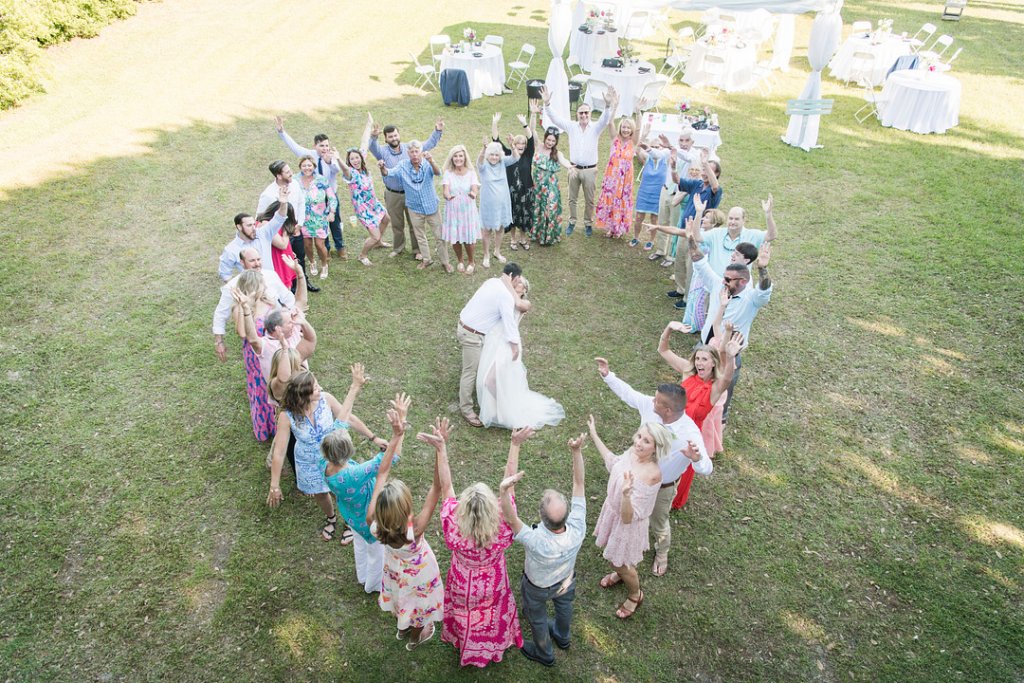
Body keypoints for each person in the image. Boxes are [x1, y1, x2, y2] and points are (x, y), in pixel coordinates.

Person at [595, 356, 711, 577]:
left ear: (667, 409)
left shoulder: (689, 433)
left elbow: (707, 467)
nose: (651, 401)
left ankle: (662, 551)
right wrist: (608, 375)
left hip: (662, 488)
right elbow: (630, 394)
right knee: (628, 518)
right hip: (635, 480)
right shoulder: (651, 407)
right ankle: (624, 558)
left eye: (657, 400)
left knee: (658, 522)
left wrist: (696, 459)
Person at [429, 420, 525, 667]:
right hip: (493, 582)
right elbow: (509, 486)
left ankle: (464, 641)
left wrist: (442, 449)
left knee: (465, 615)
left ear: (463, 509)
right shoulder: (505, 525)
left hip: (463, 583)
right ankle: (490, 646)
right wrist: (515, 445)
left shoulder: (453, 524)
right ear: (494, 508)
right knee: (491, 615)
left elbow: (446, 485)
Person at [498, 432, 588, 667]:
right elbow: (579, 483)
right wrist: (576, 451)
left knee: (537, 618)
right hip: (566, 581)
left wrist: (504, 490)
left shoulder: (535, 538)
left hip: (537, 588)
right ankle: (562, 635)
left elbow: (509, 516)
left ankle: (544, 652)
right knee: (564, 607)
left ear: (541, 517)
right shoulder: (578, 526)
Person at [266, 366, 387, 540]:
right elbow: (279, 451)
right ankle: (331, 518)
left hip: (335, 456)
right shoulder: (286, 416)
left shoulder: (326, 399)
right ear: (303, 395)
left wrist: (373, 437)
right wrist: (274, 485)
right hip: (309, 463)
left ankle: (349, 521)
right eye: (315, 388)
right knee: (321, 493)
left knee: (345, 491)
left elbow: (348, 417)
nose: (320, 388)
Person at [367, 398, 445, 651]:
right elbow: (437, 486)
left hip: (394, 568)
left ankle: (405, 629)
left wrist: (396, 435)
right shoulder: (416, 528)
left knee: (402, 602)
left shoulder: (373, 522)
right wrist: (440, 450)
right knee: (418, 608)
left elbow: (382, 472)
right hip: (419, 574)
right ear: (406, 509)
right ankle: (416, 635)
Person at [323, 392, 410, 593]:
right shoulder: (355, 473)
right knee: (376, 554)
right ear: (348, 452)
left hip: (351, 517)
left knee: (360, 548)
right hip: (369, 522)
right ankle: (372, 585)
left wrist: (354, 387)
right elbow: (393, 457)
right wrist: (401, 424)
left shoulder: (324, 462)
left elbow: (341, 419)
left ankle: (362, 576)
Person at [588, 414, 670, 619]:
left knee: (620, 563)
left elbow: (628, 518)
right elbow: (613, 462)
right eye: (639, 436)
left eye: (646, 441)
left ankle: (635, 594)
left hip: (626, 525)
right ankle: (621, 573)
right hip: (612, 515)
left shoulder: (652, 474)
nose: (638, 443)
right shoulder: (632, 453)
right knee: (619, 561)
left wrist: (626, 495)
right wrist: (594, 435)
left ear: (656, 448)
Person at [689, 228, 774, 423]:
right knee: (694, 379)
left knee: (724, 390)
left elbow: (764, 292)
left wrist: (762, 268)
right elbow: (700, 262)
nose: (723, 281)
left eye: (728, 279)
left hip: (728, 356)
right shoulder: (719, 285)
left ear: (743, 281)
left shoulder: (751, 299)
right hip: (706, 346)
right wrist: (691, 240)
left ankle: (721, 419)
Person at [477, 276, 564, 430]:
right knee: (494, 378)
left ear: (524, 291)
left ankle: (505, 409)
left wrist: (508, 283)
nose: (517, 283)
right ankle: (497, 409)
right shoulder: (504, 297)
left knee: (489, 380)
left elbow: (518, 304)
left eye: (521, 283)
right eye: (516, 281)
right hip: (494, 342)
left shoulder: (524, 303)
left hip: (508, 345)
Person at [540, 85, 620, 236]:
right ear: (577, 114)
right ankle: (572, 222)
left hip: (590, 170)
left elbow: (605, 119)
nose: (583, 115)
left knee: (590, 200)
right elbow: (555, 119)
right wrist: (547, 104)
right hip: (574, 168)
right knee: (572, 199)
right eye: (581, 113)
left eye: (586, 112)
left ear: (590, 114)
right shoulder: (571, 127)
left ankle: (588, 223)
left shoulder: (596, 127)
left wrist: (608, 105)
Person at [368, 115, 444, 260]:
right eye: (390, 136)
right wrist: (373, 137)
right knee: (397, 224)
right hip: (392, 194)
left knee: (414, 223)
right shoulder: (382, 152)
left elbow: (428, 144)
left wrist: (437, 130)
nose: (394, 138)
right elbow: (371, 146)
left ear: (399, 135)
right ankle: (398, 248)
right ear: (386, 139)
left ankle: (417, 250)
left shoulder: (409, 149)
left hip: (412, 194)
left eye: (395, 135)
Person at [457, 263, 523, 427]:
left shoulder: (492, 281)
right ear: (513, 278)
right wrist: (514, 346)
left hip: (464, 325)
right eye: (518, 280)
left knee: (473, 367)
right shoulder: (505, 296)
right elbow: (509, 322)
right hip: (471, 335)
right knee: (469, 372)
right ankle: (466, 410)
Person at [211, 247, 305, 362]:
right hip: (259, 348)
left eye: (258, 259)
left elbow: (289, 300)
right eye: (252, 261)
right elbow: (221, 315)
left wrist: (296, 324)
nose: (257, 264)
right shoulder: (232, 287)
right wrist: (219, 341)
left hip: (279, 337)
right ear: (242, 262)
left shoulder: (271, 275)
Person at [274, 116, 346, 259]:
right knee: (318, 222)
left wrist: (330, 161)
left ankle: (340, 247)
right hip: (313, 198)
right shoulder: (309, 156)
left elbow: (337, 170)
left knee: (334, 221)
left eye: (326, 145)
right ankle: (325, 249)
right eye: (321, 146)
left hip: (329, 195)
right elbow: (293, 146)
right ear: (315, 146)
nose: (325, 148)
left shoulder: (331, 157)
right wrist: (282, 132)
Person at [227, 270, 283, 441]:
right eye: (261, 284)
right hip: (254, 355)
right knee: (261, 388)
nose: (265, 286)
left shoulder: (268, 301)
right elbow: (243, 333)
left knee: (275, 382)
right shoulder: (240, 308)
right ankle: (266, 426)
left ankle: (280, 422)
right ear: (251, 287)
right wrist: (247, 307)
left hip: (271, 349)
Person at [378, 141, 450, 272]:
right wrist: (382, 167)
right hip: (414, 208)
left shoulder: (427, 162)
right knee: (420, 235)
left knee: (439, 236)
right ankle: (427, 259)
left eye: (417, 151)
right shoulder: (403, 165)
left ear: (421, 152)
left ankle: (445, 262)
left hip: (431, 206)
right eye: (412, 152)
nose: (415, 154)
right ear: (408, 153)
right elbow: (388, 173)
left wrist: (432, 161)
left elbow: (438, 172)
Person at [337, 131, 391, 266]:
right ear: (348, 162)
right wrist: (338, 159)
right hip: (363, 209)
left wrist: (369, 124)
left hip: (373, 203)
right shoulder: (352, 173)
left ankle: (378, 242)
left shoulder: (363, 167)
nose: (355, 160)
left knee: (386, 218)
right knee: (375, 235)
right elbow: (345, 170)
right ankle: (363, 255)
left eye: (357, 157)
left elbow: (364, 143)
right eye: (352, 159)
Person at [491, 105, 538, 251]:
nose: (521, 145)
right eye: (518, 143)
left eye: (523, 143)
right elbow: (495, 139)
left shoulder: (528, 155)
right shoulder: (507, 154)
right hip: (511, 191)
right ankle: (512, 239)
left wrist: (525, 124)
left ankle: (523, 239)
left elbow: (531, 138)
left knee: (524, 215)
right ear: (514, 144)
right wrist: (495, 123)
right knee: (512, 216)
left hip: (526, 191)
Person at [650, 128, 700, 262]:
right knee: (662, 220)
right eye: (681, 140)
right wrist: (647, 148)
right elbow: (659, 154)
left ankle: (671, 255)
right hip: (666, 189)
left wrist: (671, 147)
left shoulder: (695, 155)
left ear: (692, 141)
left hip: (679, 193)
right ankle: (661, 249)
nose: (683, 143)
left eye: (687, 140)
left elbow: (686, 156)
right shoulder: (673, 149)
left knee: (675, 224)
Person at [218, 192, 288, 281]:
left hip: (271, 284)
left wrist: (284, 203)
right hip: (251, 289)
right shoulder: (231, 249)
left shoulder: (263, 234)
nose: (254, 228)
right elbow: (225, 273)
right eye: (249, 225)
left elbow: (279, 218)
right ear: (239, 227)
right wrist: (236, 289)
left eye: (254, 224)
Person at [594, 114, 643, 239]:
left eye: (628, 128)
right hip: (611, 177)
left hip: (625, 179)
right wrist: (614, 106)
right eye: (623, 127)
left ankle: (619, 228)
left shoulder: (633, 142)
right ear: (620, 128)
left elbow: (638, 128)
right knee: (611, 198)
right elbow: (610, 122)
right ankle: (610, 227)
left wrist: (638, 112)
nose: (625, 130)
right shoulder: (614, 139)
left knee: (621, 200)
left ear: (631, 130)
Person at [477, 138, 519, 268]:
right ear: (488, 155)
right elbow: (479, 161)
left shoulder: (502, 162)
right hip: (488, 204)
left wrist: (512, 146)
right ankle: (486, 255)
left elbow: (515, 158)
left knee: (500, 228)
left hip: (502, 203)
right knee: (486, 230)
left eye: (496, 155)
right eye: (492, 154)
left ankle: (497, 251)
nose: (494, 157)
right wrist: (484, 149)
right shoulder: (483, 166)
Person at [529, 126, 575, 246]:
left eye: (553, 141)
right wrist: (533, 115)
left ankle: (548, 236)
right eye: (548, 140)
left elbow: (564, 161)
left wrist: (569, 166)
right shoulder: (538, 146)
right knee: (538, 209)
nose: (550, 143)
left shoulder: (556, 153)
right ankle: (537, 234)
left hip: (550, 186)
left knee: (549, 210)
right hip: (538, 186)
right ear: (544, 138)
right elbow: (532, 130)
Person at [295, 155, 337, 279]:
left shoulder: (321, 180)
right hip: (303, 219)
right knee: (307, 245)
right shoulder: (295, 180)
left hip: (320, 218)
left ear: (314, 166)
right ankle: (312, 262)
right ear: (300, 167)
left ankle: (324, 264)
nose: (307, 168)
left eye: (309, 165)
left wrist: (332, 212)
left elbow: (332, 197)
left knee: (320, 245)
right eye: (304, 165)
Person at [441, 144, 481, 274]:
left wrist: (473, 194)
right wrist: (448, 196)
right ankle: (460, 260)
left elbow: (475, 189)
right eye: (455, 156)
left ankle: (471, 261)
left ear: (465, 157)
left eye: (460, 156)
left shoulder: (471, 172)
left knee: (469, 238)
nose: (458, 158)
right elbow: (445, 191)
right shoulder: (448, 173)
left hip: (467, 210)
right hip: (453, 209)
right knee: (456, 237)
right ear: (452, 158)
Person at [632, 132, 671, 250]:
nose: (654, 149)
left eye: (657, 147)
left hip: (658, 194)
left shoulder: (666, 160)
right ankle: (636, 237)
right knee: (639, 217)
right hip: (644, 192)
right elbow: (637, 149)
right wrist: (644, 134)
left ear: (662, 148)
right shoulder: (646, 158)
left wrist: (667, 144)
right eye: (652, 146)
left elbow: (672, 151)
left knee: (654, 218)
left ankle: (651, 240)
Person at [257, 160, 306, 231]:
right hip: (279, 233)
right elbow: (260, 217)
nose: (291, 173)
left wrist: (300, 224)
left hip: (296, 229)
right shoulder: (268, 195)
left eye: (290, 170)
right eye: (287, 172)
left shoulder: (295, 184)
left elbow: (301, 202)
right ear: (279, 176)